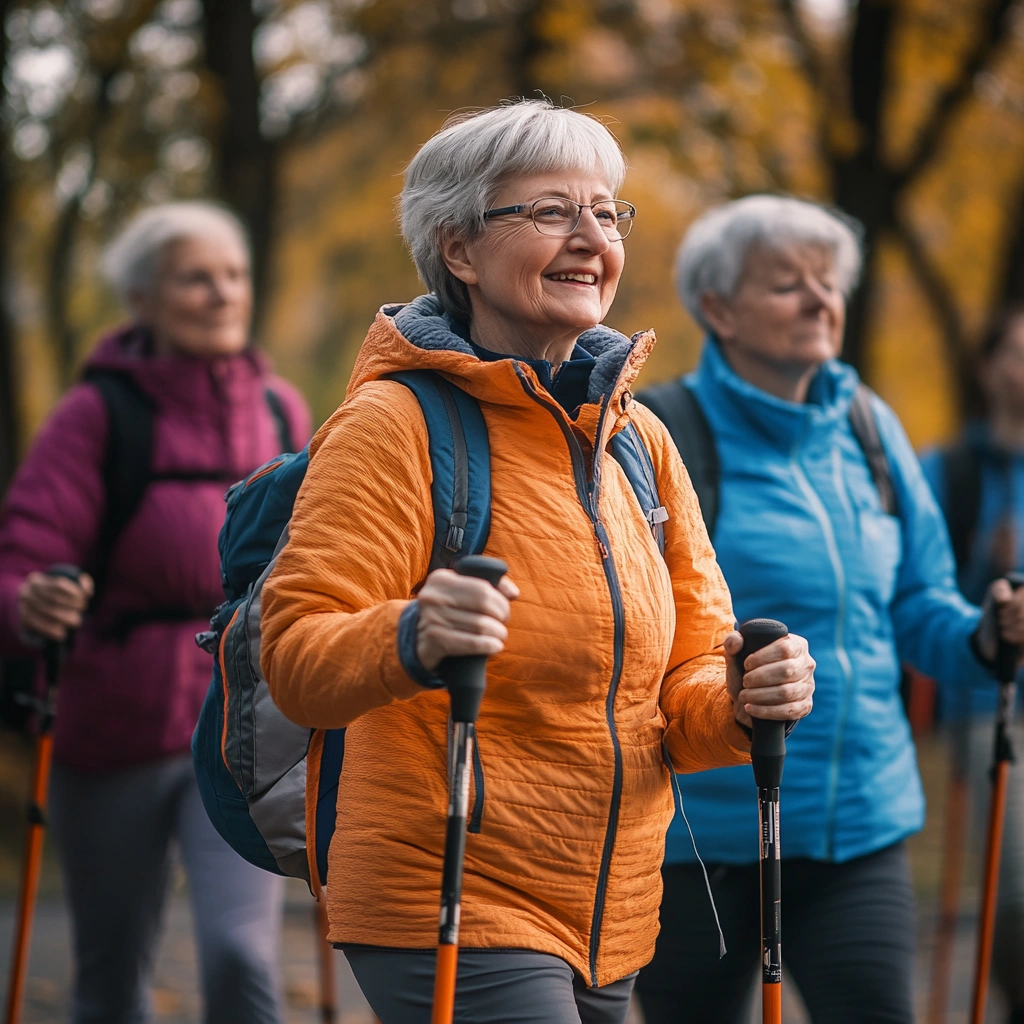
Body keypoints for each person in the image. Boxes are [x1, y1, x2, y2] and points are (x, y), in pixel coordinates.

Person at [258, 100, 816, 1024]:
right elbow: (297, 664)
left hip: (614, 912)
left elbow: (682, 704)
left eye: (606, 211)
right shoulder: (394, 425)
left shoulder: (639, 441)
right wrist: (413, 634)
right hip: (447, 891)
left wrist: (749, 699)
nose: (590, 237)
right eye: (550, 212)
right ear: (460, 249)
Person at [632, 195, 1024, 1024]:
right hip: (697, 840)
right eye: (787, 284)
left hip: (860, 828)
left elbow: (919, 607)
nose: (821, 300)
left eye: (829, 281)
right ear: (717, 309)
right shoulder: (661, 433)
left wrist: (988, 636)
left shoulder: (867, 426)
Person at [0, 201, 311, 1024]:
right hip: (114, 729)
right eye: (195, 277)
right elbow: (21, 558)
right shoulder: (97, 417)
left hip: (244, 726)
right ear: (142, 298)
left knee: (242, 955)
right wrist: (30, 602)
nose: (221, 294)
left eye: (234, 275)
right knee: (111, 969)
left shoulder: (281, 412)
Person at [919, 306, 1024, 1024]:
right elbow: (920, 586)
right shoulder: (949, 470)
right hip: (990, 703)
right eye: (1016, 352)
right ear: (989, 367)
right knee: (1014, 887)